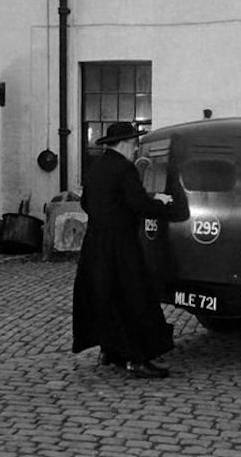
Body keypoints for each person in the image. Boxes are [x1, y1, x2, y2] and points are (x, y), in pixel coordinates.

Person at [72, 122, 175, 378]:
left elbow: (86, 203)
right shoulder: (124, 168)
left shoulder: (97, 167)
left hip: (96, 245)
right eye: (134, 144)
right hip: (121, 246)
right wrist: (162, 204)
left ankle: (112, 350)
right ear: (125, 144)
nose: (135, 149)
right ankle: (137, 358)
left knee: (107, 297)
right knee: (133, 298)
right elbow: (138, 203)